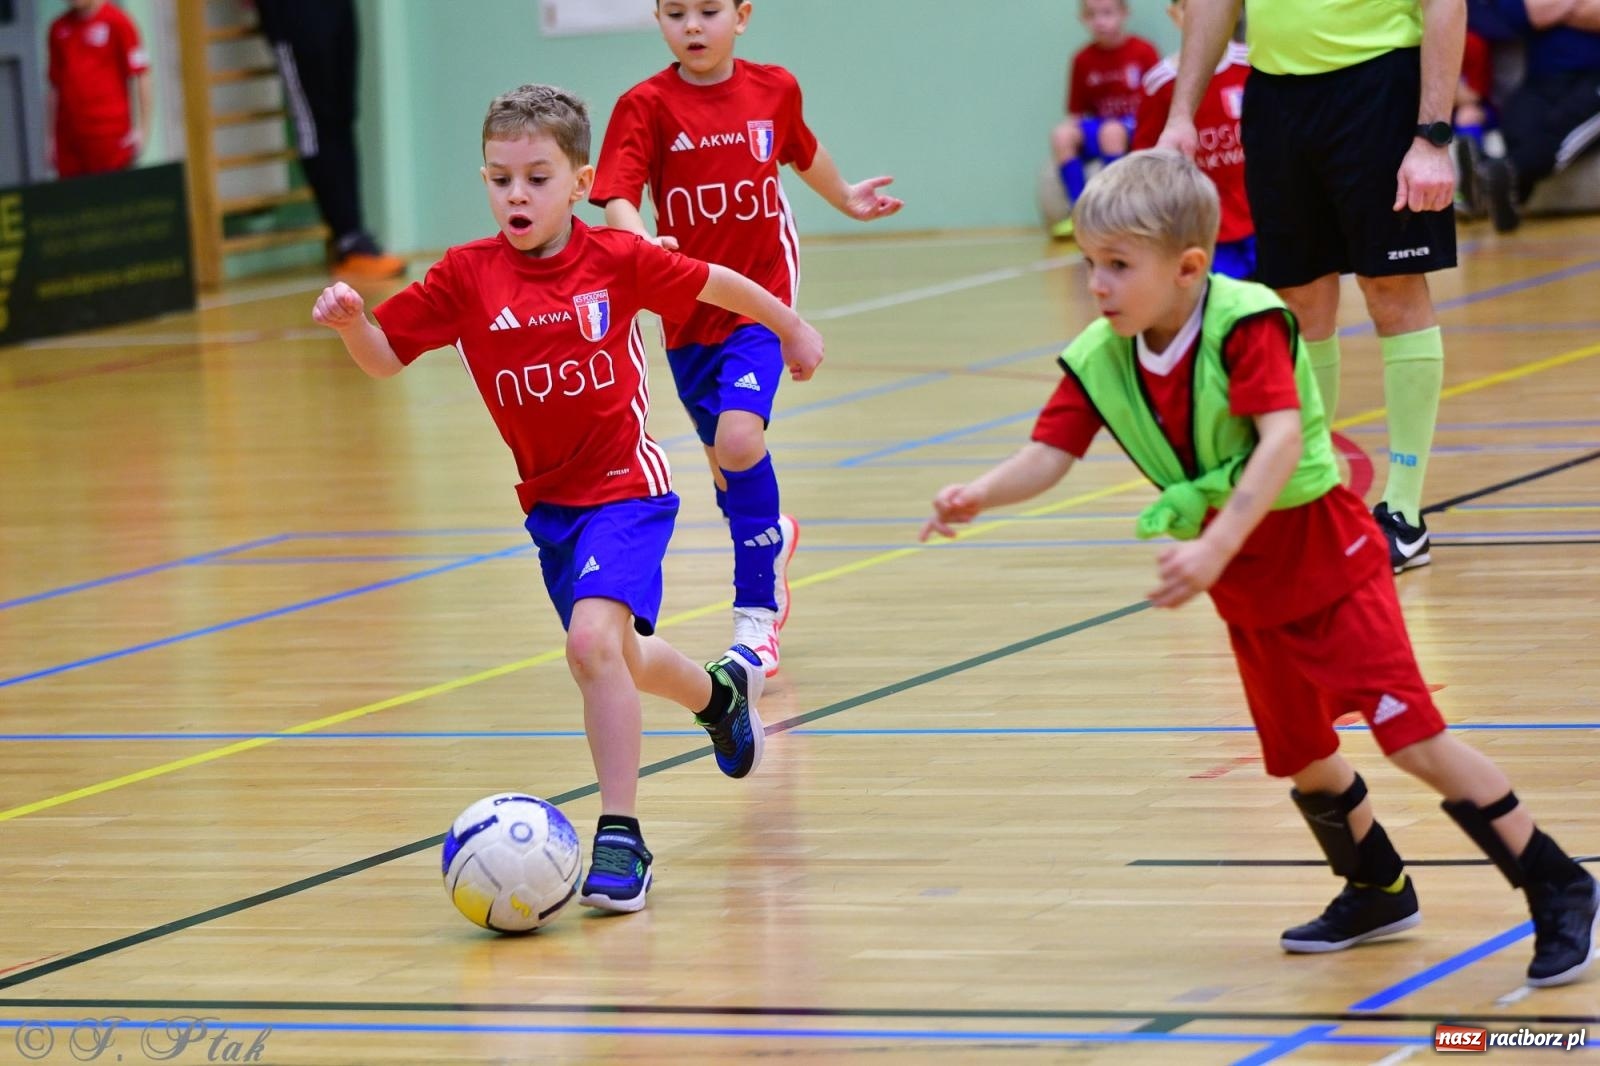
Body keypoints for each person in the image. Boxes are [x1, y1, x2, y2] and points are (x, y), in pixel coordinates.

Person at [920, 151, 1598, 988]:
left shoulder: (1245, 322)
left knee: (1412, 739)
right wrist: (978, 495)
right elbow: (1049, 451)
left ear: (1189, 268)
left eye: (1118, 266)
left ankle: (1558, 884)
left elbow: (1279, 443)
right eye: (1090, 263)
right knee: (1303, 753)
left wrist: (1212, 545)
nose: (1097, 284)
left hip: (1323, 555)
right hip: (1249, 582)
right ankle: (1376, 887)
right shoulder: (1103, 352)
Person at [310, 84, 825, 914]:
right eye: (501, 178)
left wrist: (792, 328)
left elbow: (720, 283)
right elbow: (383, 357)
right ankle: (719, 698)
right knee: (619, 660)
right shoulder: (466, 276)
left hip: (627, 490)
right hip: (550, 509)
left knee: (589, 646)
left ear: (580, 182)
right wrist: (351, 325)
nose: (517, 194)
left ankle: (621, 836)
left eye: (538, 178)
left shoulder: (616, 261)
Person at [591, 0, 903, 678]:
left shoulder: (774, 88)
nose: (693, 26)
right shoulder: (644, 104)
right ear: (659, 19)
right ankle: (772, 535)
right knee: (724, 465)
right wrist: (640, 244)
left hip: (757, 298)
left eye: (709, 11)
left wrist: (847, 196)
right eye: (676, 13)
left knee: (739, 441)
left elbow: (802, 149)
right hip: (685, 310)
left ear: (743, 15)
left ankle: (756, 620)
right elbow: (619, 194)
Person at [1157, 0, 1462, 574]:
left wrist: (1433, 137)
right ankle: (1314, 500)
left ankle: (1403, 511)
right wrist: (1182, 114)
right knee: (1297, 297)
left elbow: (1446, 5)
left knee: (1390, 287)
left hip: (1380, 85)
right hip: (1277, 98)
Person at [253, 0, 407, 280]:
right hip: (292, 14)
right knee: (314, 122)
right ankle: (348, 238)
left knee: (342, 116)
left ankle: (356, 236)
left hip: (334, 7)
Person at [1132, 0, 1256, 278]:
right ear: (1174, 15)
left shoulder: (1250, 62)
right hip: (1209, 226)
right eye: (1188, 7)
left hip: (1260, 216)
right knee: (1223, 301)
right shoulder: (1159, 83)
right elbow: (1147, 154)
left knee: (1280, 298)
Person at [1468, 0, 1600, 233]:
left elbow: (1540, 11)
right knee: (1518, 124)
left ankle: (1496, 175)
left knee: (1563, 128)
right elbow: (1522, 15)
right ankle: (1505, 191)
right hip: (1542, 79)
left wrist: (1551, 9)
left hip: (1594, 78)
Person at [1051, 0, 1161, 238]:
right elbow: (1075, 112)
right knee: (1062, 134)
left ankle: (1112, 212)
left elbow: (1159, 98)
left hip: (1135, 125)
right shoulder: (1082, 59)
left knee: (1110, 132)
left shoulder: (1143, 51)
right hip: (1102, 126)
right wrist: (1070, 132)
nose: (1100, 21)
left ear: (1124, 13)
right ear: (1082, 18)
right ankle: (1079, 212)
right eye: (1091, 15)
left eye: (1107, 13)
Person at [46, 0, 151, 179]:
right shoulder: (58, 28)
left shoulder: (118, 21)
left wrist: (143, 129)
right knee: (75, 201)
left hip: (110, 137)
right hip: (70, 141)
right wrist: (50, 140)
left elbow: (141, 75)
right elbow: (54, 87)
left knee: (112, 201)